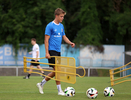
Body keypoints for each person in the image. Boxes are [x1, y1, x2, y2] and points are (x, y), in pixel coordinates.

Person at [36, 8, 75, 95]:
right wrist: (47, 52)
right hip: (52, 51)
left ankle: (41, 84)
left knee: (55, 71)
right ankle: (59, 91)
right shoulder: (50, 26)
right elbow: (46, 40)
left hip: (58, 51)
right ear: (56, 16)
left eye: (63, 16)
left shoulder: (61, 26)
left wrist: (70, 42)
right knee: (58, 70)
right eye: (61, 16)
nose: (62, 18)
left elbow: (64, 37)